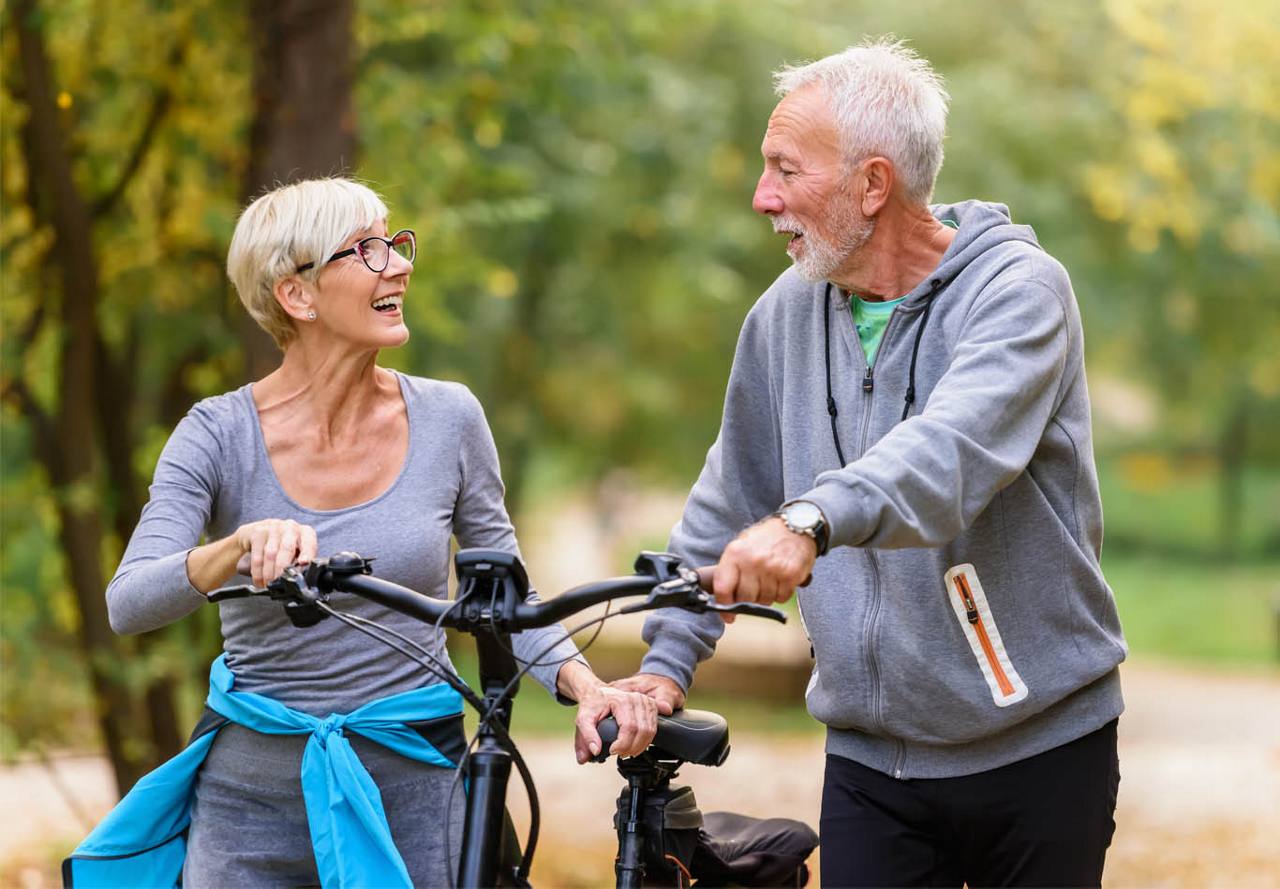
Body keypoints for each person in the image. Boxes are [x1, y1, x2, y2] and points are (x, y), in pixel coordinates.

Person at [616, 39, 1127, 887]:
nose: (761, 197)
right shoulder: (783, 315)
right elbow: (730, 495)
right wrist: (665, 663)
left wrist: (808, 520)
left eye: (785, 169)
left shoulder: (1019, 294)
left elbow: (950, 454)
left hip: (1039, 745)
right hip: (873, 762)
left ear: (873, 184)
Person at [65, 177, 664, 888]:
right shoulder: (216, 434)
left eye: (395, 242)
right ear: (298, 294)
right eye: (367, 250)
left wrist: (585, 683)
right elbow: (128, 601)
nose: (400, 264)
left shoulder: (450, 419)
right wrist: (234, 548)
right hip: (249, 810)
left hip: (417, 793)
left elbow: (506, 594)